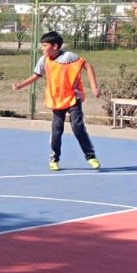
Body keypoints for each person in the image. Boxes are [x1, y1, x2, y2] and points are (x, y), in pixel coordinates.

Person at [12, 31, 101, 171]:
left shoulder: (69, 57)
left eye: (44, 45)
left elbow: (88, 66)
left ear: (55, 46)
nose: (42, 48)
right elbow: (36, 75)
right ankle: (54, 158)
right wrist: (21, 85)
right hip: (57, 99)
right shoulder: (44, 60)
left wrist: (94, 87)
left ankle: (91, 156)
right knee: (57, 129)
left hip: (73, 97)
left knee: (77, 127)